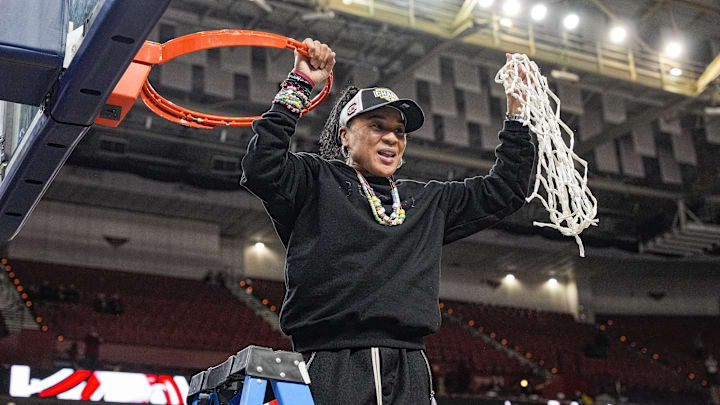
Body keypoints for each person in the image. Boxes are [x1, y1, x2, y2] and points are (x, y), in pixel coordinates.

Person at [240, 38, 536, 405]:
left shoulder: (427, 200)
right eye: (378, 126)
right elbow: (261, 168)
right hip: (331, 363)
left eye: (399, 131)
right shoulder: (315, 180)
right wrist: (300, 82)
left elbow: (506, 189)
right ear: (345, 135)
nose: (392, 137)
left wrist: (518, 111)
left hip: (409, 366)